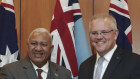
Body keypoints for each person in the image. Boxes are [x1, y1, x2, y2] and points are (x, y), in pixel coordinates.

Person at [78, 14, 140, 79]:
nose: (99, 37)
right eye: (94, 33)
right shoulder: (84, 66)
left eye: (104, 32)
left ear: (115, 34)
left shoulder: (134, 62)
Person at [0, 28, 72, 79]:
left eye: (43, 44)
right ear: (28, 46)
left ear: (51, 49)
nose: (38, 48)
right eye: (34, 44)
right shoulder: (10, 71)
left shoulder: (65, 74)